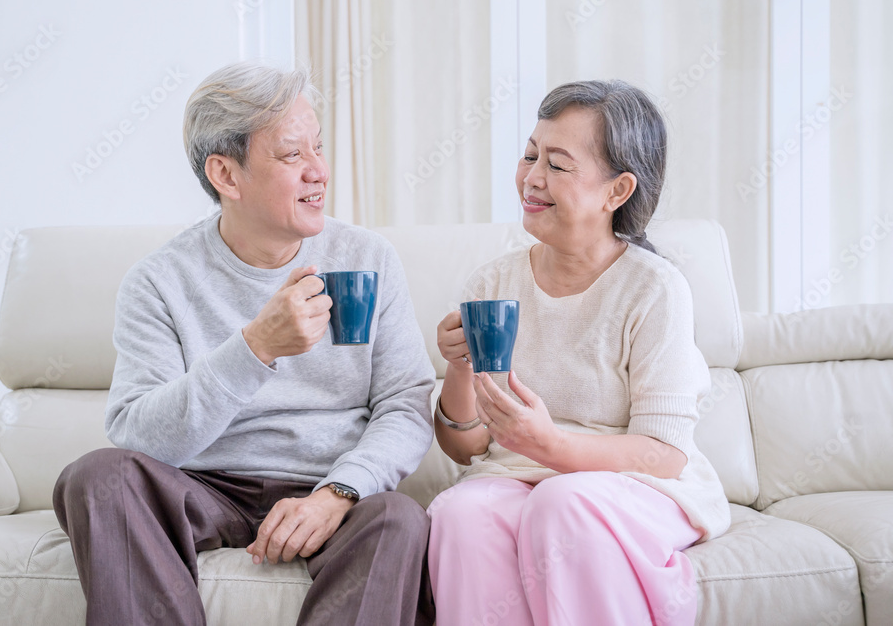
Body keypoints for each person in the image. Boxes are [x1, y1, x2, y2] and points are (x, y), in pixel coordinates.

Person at [53, 62, 437, 626]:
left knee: (399, 518)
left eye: (319, 149)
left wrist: (337, 492)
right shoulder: (160, 282)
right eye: (291, 156)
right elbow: (138, 434)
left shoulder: (367, 260)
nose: (319, 172)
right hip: (204, 487)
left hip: (327, 482)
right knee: (98, 475)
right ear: (226, 176)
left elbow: (405, 403)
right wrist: (254, 347)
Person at [428, 80, 730, 625]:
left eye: (558, 165)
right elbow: (467, 446)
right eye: (529, 155)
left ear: (617, 191)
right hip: (518, 478)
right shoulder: (492, 283)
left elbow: (665, 454)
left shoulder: (653, 288)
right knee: (460, 511)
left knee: (561, 503)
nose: (532, 177)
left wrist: (552, 446)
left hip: (638, 488)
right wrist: (458, 366)